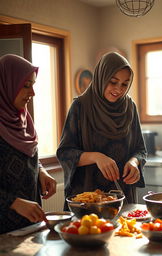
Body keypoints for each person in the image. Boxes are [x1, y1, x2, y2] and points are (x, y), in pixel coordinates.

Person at [57, 52, 146, 209]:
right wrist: (96, 157)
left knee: (125, 233)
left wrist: (134, 162)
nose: (118, 89)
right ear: (101, 78)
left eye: (125, 84)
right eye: (113, 82)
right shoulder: (80, 107)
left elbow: (140, 149)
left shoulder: (130, 108)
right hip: (87, 198)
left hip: (123, 195)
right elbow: (65, 152)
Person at [0, 54, 57, 234]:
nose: (32, 93)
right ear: (6, 85)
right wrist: (14, 203)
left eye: (32, 85)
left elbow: (28, 153)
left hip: (29, 228)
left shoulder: (23, 119)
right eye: (26, 86)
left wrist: (41, 170)